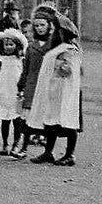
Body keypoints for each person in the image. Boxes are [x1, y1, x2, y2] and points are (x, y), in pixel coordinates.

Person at [28, 15, 83, 166]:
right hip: (54, 91)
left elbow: (69, 70)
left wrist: (60, 65)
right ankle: (48, 152)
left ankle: (70, 154)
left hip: (65, 92)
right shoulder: (57, 48)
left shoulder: (70, 49)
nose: (53, 33)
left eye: (55, 30)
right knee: (51, 121)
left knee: (68, 120)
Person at [14, 6, 61, 159]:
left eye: (43, 25)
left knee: (47, 118)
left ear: (49, 25)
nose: (40, 28)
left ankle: (48, 150)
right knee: (28, 119)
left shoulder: (54, 45)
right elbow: (26, 69)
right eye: (37, 25)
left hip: (48, 85)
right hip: (32, 85)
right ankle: (24, 148)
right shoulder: (31, 46)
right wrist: (21, 85)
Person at [0, 28, 26, 156]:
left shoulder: (20, 60)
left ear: (17, 46)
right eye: (6, 45)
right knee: (5, 120)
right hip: (3, 93)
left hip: (16, 93)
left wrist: (21, 88)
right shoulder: (0, 59)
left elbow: (24, 75)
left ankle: (16, 144)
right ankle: (5, 143)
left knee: (17, 119)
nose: (8, 47)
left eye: (11, 44)